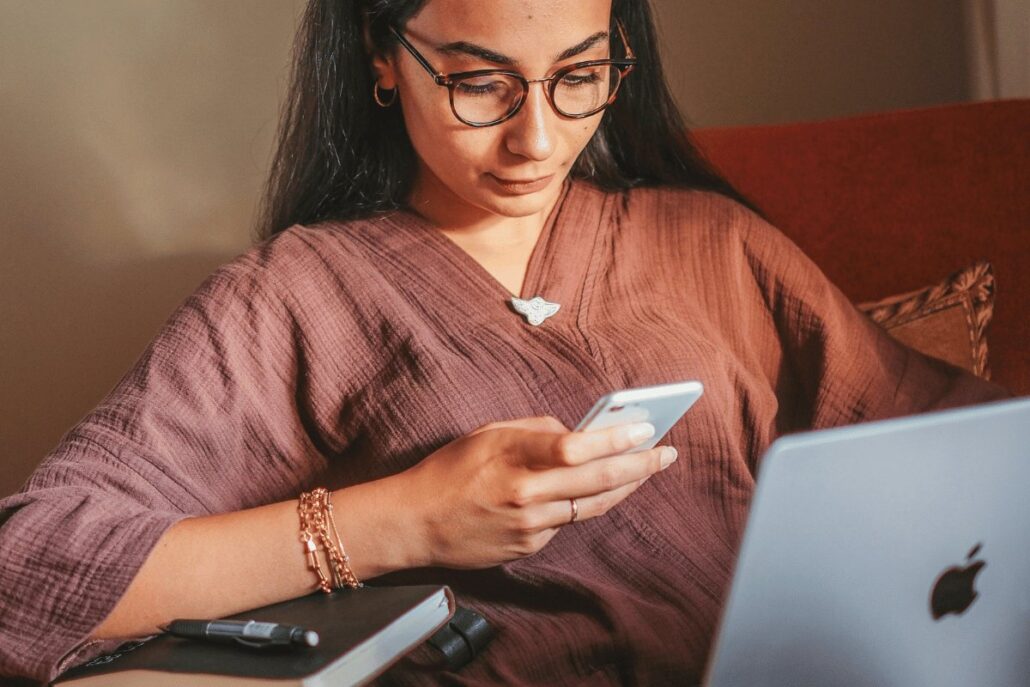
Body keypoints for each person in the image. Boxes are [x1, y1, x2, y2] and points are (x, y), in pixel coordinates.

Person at [0, 0, 1007, 684]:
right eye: (481, 84)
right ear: (382, 58)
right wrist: (405, 520)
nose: (536, 139)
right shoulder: (294, 298)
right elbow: (31, 565)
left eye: (581, 75)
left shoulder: (712, 241)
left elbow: (955, 447)